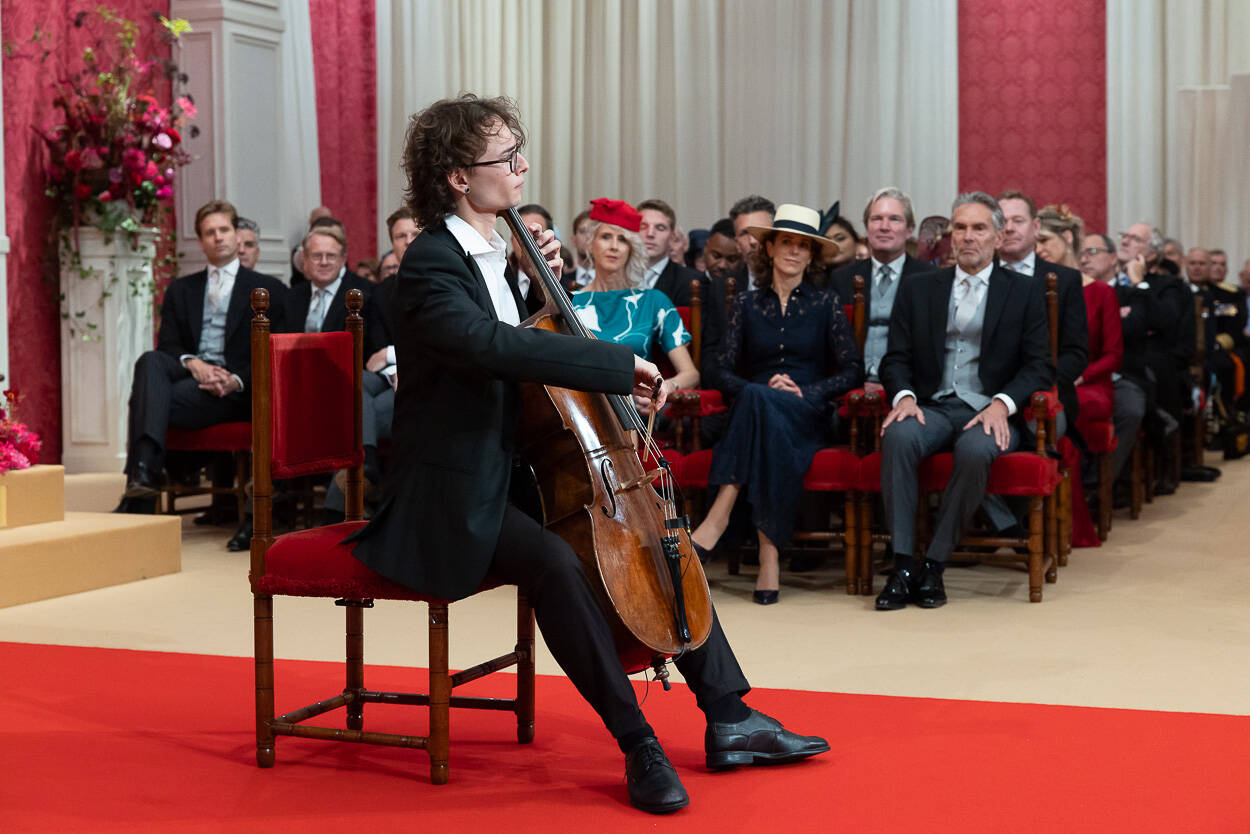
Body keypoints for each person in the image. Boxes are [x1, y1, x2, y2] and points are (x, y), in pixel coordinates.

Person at [345, 94, 828, 815]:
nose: (523, 166)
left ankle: (729, 714)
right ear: (456, 176)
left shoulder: (496, 255)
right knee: (559, 565)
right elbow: (490, 346)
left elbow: (525, 341)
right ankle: (639, 744)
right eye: (507, 158)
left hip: (516, 470)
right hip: (451, 489)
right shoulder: (431, 265)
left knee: (659, 537)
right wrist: (610, 364)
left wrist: (534, 279)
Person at [874, 192, 1052, 610]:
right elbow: (895, 356)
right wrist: (902, 396)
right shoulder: (920, 289)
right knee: (898, 437)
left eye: (978, 228)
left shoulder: (1025, 292)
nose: (967, 237)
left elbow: (1039, 366)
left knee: (975, 451)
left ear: (997, 236)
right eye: (960, 228)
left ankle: (934, 564)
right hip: (932, 406)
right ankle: (902, 566)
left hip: (988, 408)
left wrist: (1003, 403)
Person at [688, 204, 863, 604]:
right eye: (787, 242)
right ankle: (769, 556)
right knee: (757, 399)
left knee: (757, 403)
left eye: (803, 246)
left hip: (806, 412)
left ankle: (718, 517)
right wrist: (765, 385)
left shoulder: (825, 305)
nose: (794, 252)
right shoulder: (747, 305)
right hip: (760, 411)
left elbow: (852, 370)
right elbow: (720, 372)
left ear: (812, 255)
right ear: (770, 249)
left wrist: (806, 391)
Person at [114, 200, 288, 513]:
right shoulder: (182, 289)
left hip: (233, 389)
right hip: (192, 379)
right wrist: (194, 363)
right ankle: (148, 473)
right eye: (210, 232)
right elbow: (167, 344)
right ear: (201, 241)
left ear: (237, 236)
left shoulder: (268, 289)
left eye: (224, 230)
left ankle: (144, 480)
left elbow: (275, 352)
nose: (218, 237)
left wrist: (235, 380)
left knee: (146, 399)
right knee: (149, 362)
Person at [571, 199, 699, 408]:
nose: (614, 246)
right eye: (605, 237)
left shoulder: (653, 301)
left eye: (622, 240)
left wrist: (662, 388)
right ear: (590, 244)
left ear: (631, 249)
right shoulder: (570, 302)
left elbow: (691, 374)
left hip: (633, 412)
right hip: (582, 410)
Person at [830, 187, 931, 388]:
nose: (884, 227)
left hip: (909, 389)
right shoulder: (841, 279)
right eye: (876, 219)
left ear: (910, 230)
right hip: (850, 387)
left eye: (894, 219)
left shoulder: (929, 279)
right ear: (867, 228)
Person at [637, 198, 705, 306]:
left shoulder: (692, 281)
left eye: (660, 228)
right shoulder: (615, 276)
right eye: (643, 226)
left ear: (671, 237)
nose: (650, 233)